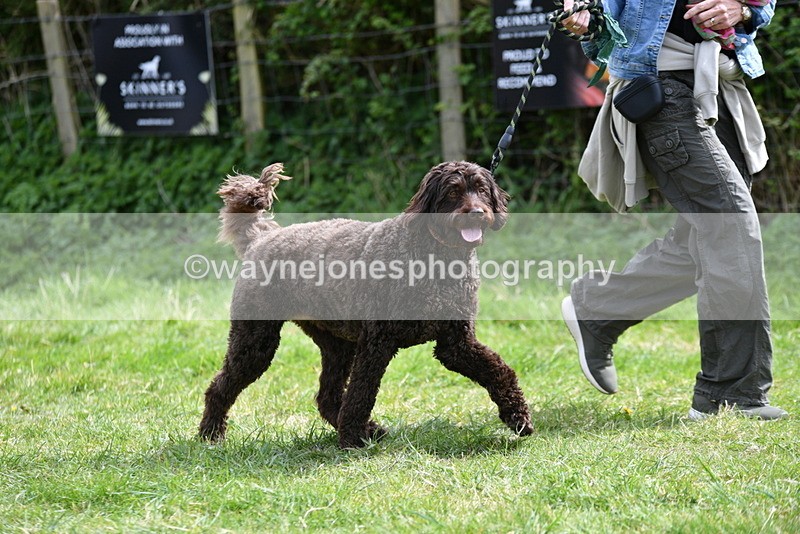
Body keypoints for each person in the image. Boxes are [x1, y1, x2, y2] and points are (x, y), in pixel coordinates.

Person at [558, 0, 788, 419]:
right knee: (730, 227)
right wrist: (585, 12)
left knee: (707, 240)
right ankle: (730, 394)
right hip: (661, 89)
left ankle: (600, 310)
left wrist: (741, 10)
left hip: (717, 83)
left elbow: (763, 5)